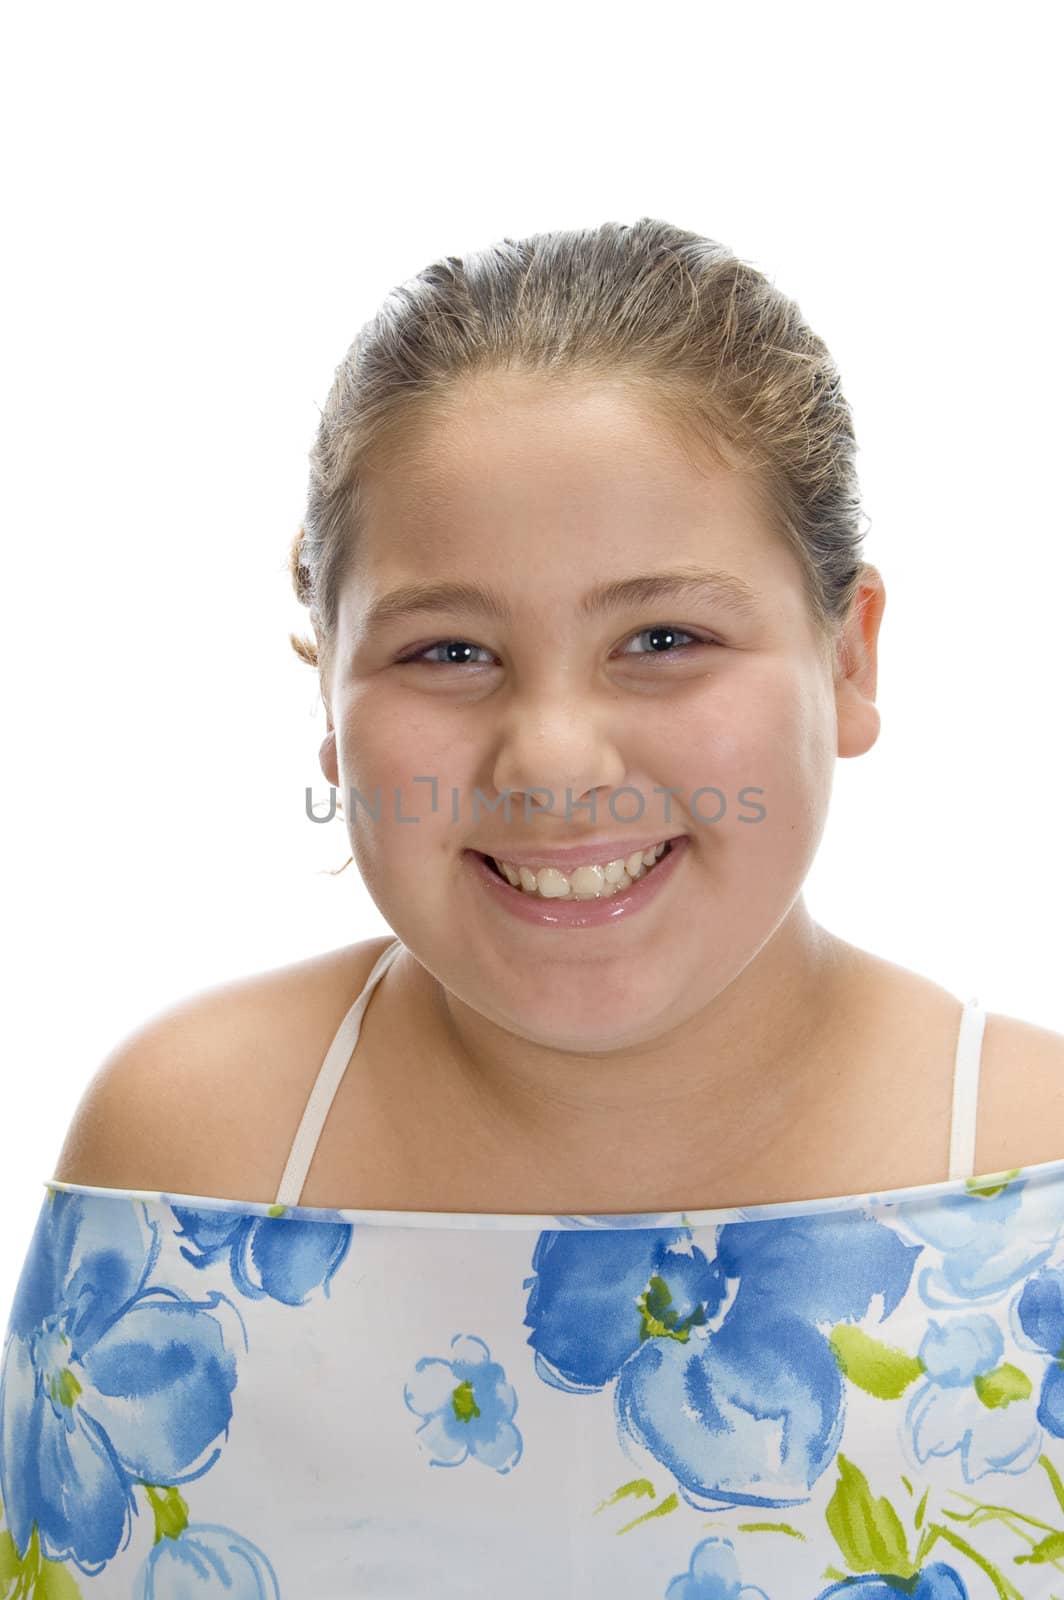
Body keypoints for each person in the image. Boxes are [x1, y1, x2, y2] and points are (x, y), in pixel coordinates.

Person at [3, 218, 1064, 1597]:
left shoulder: (1040, 1169)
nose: (554, 758)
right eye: (449, 649)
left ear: (848, 660)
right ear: (327, 697)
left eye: (664, 639)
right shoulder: (185, 1153)